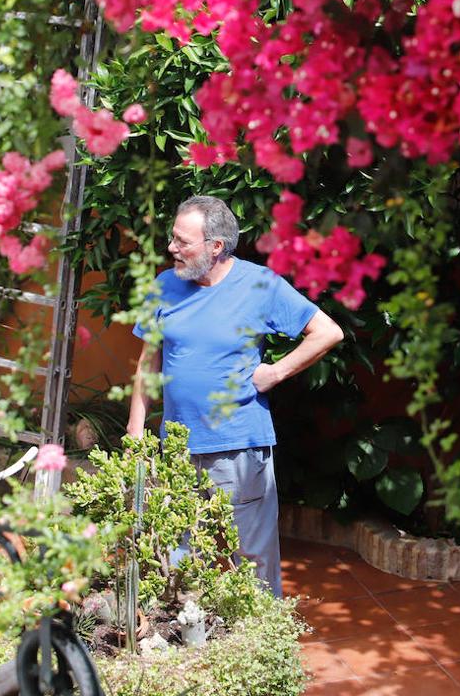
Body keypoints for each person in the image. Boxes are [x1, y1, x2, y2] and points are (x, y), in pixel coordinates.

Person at [127, 195, 344, 597]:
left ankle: (264, 649)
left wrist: (275, 372)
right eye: (172, 238)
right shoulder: (164, 286)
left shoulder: (259, 285)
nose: (171, 248)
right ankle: (185, 647)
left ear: (216, 247)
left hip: (238, 447)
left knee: (253, 561)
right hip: (176, 446)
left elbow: (328, 331)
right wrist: (136, 430)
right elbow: (148, 362)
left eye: (182, 241)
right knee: (178, 556)